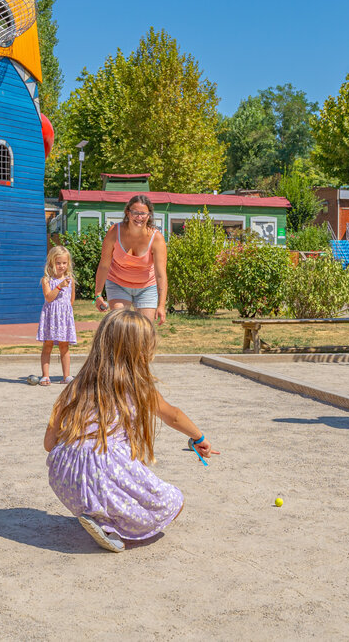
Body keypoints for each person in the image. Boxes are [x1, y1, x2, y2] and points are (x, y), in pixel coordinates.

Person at [45, 308, 219, 552]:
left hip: (63, 474)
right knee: (174, 503)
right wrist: (199, 437)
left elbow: (48, 443)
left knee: (112, 480)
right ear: (139, 351)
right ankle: (109, 527)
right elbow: (174, 416)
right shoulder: (137, 385)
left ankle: (97, 515)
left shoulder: (77, 384)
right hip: (103, 466)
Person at [93, 195, 168, 325]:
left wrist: (161, 305)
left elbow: (161, 275)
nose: (139, 217)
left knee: (145, 331)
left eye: (143, 213)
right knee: (119, 326)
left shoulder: (156, 238)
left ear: (149, 215)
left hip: (146, 287)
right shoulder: (114, 231)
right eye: (135, 213)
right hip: (118, 284)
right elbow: (104, 265)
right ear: (128, 213)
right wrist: (98, 294)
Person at [36, 245, 77, 385]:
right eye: (58, 263)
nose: (61, 266)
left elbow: (71, 300)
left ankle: (66, 376)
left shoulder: (70, 279)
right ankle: (45, 376)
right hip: (50, 317)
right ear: (52, 263)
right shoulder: (47, 279)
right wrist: (59, 286)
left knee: (64, 346)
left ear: (68, 263)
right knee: (48, 345)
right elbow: (48, 297)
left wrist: (66, 314)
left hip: (64, 317)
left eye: (64, 263)